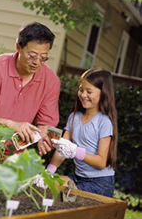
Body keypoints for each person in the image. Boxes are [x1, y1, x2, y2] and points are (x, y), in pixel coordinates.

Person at [0, 21, 60, 156]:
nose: (37, 62)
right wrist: (13, 125)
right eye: (32, 56)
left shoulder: (51, 81)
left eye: (43, 57)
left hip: (12, 154)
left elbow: (46, 122)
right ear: (18, 47)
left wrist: (45, 138)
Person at [46, 67, 118, 197]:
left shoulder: (104, 122)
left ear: (103, 93)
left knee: (59, 190)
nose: (83, 95)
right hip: (79, 178)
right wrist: (49, 171)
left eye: (89, 91)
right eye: (81, 90)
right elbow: (62, 149)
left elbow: (102, 162)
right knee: (49, 182)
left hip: (100, 183)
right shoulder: (74, 117)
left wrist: (76, 152)